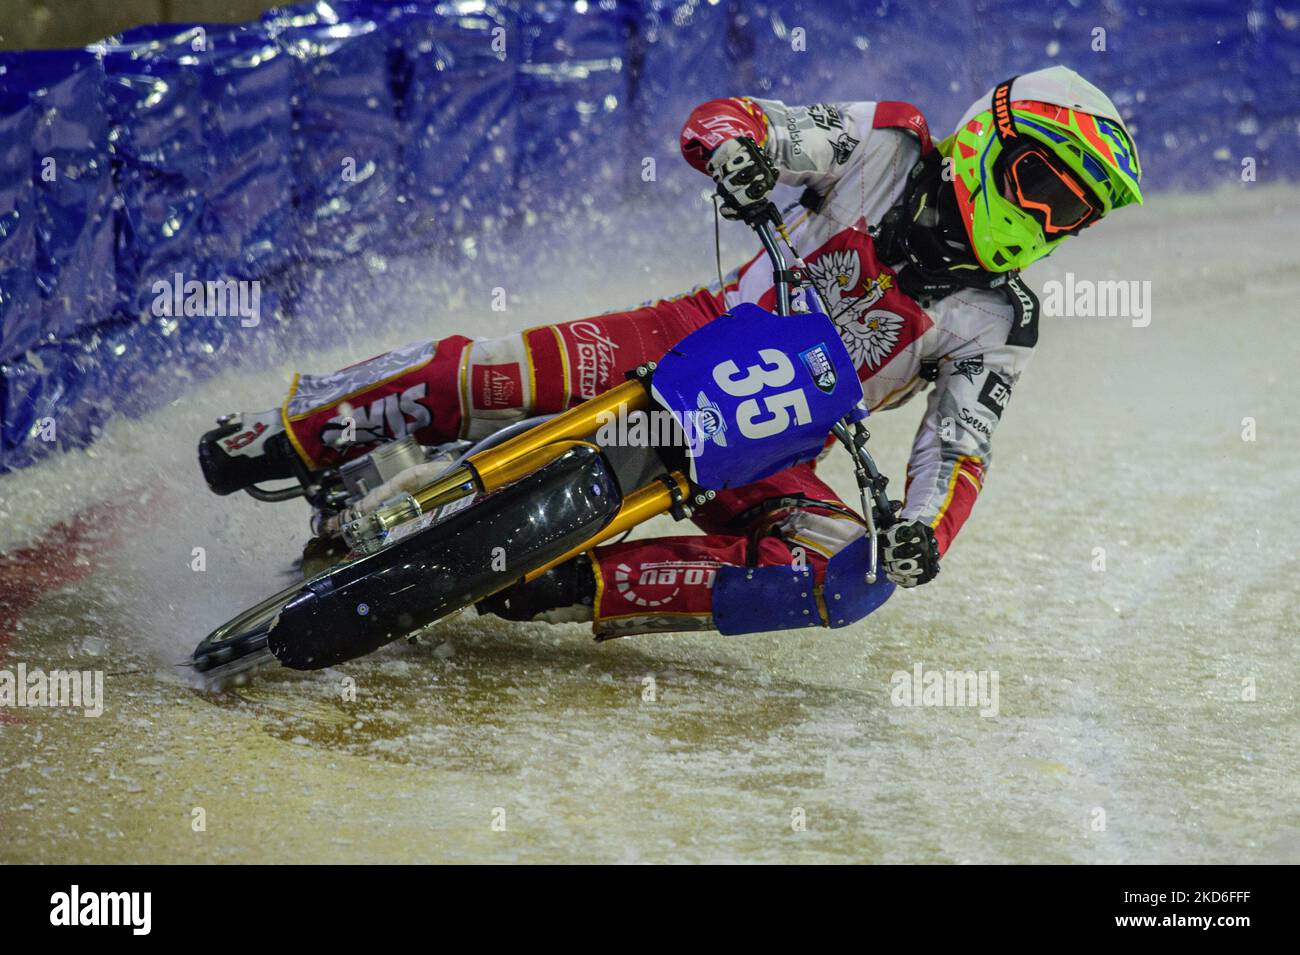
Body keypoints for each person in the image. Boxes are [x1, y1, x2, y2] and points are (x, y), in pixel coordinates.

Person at [198, 65, 1142, 639]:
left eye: (1071, 210)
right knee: (487, 372)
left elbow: (957, 450)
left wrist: (923, 536)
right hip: (688, 330)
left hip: (780, 446)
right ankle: (290, 431)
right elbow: (750, 119)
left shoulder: (1000, 319)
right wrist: (735, 148)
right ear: (986, 137)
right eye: (1037, 183)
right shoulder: (888, 140)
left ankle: (576, 587)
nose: (1041, 217)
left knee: (852, 579)